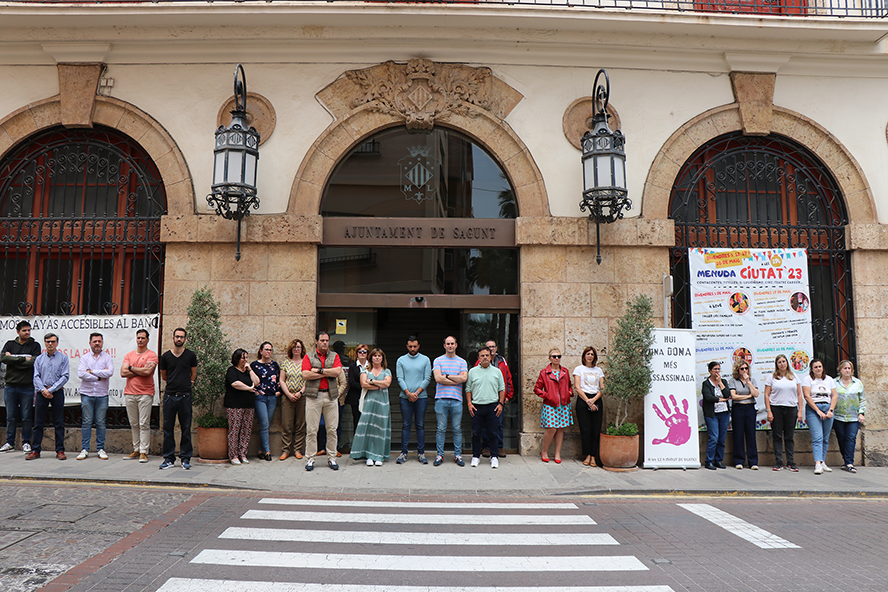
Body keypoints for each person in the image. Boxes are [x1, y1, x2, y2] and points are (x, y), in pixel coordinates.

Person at [302, 331, 342, 471]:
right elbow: (305, 374)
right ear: (316, 341)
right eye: (322, 340)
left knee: (332, 429)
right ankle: (311, 459)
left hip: (331, 396)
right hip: (314, 396)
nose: (325, 343)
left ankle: (332, 458)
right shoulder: (308, 356)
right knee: (312, 430)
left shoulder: (335, 355)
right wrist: (327, 371)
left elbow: (337, 372)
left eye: (327, 340)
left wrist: (318, 371)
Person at [159, 327, 198, 470]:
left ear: (185, 339)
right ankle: (169, 458)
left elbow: (193, 374)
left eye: (182, 337)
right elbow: (164, 376)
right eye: (177, 336)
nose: (179, 339)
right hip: (170, 396)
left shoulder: (190, 355)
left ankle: (185, 458)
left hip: (185, 396)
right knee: (168, 428)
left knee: (186, 428)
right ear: (173, 338)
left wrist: (188, 383)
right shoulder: (165, 357)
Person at [1, 320, 42, 453]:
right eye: (24, 330)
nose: (27, 333)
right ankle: (10, 442)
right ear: (18, 332)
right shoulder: (10, 344)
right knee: (11, 416)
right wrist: (24, 359)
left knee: (26, 416)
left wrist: (13, 359)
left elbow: (34, 362)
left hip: (27, 387)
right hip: (11, 386)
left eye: (29, 330)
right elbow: (3, 359)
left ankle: (26, 442)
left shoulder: (35, 345)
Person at [28, 333, 70, 460]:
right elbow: (36, 376)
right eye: (47, 341)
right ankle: (35, 450)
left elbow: (65, 376)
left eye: (52, 341)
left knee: (58, 422)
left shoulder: (63, 358)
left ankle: (60, 450)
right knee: (38, 422)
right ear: (45, 343)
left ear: (57, 343)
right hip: (42, 392)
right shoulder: (39, 359)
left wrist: (51, 389)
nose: (50, 344)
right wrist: (43, 390)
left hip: (57, 392)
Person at [120, 329, 159, 463]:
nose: (140, 340)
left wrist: (131, 368)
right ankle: (136, 449)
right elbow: (122, 373)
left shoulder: (152, 355)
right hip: (130, 393)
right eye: (138, 338)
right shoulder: (129, 355)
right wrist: (139, 371)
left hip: (145, 393)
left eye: (143, 338)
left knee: (144, 423)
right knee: (134, 423)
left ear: (148, 340)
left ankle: (144, 451)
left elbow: (148, 372)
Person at [350, 347, 393, 466]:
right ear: (371, 358)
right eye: (375, 356)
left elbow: (387, 384)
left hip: (382, 404)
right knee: (368, 429)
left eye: (379, 356)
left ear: (382, 358)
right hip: (369, 403)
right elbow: (363, 384)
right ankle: (369, 456)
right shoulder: (365, 370)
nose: (377, 358)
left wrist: (372, 382)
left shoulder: (387, 371)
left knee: (380, 429)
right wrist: (380, 385)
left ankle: (378, 455)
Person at [76, 333, 114, 461]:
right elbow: (81, 373)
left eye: (99, 341)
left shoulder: (107, 358)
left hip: (102, 394)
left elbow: (110, 372)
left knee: (101, 422)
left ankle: (100, 449)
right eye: (94, 341)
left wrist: (91, 372)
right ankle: (85, 449)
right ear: (90, 343)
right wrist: (99, 377)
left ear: (102, 343)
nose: (97, 343)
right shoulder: (85, 358)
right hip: (87, 394)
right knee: (86, 422)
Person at [466, 346, 505, 469]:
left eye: (487, 355)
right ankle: (476, 456)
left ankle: (494, 457)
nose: (485, 358)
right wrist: (469, 404)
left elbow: (502, 389)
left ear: (491, 356)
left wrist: (501, 404)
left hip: (492, 406)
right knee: (476, 433)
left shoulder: (497, 371)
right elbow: (468, 389)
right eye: (482, 356)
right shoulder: (472, 372)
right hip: (477, 406)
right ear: (478, 358)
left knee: (493, 433)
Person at [764, 354, 804, 472]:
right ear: (776, 364)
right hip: (776, 408)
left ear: (787, 363)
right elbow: (766, 394)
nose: (782, 364)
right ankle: (779, 462)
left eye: (784, 361)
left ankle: (791, 462)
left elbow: (799, 394)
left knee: (789, 436)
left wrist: (800, 410)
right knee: (777, 436)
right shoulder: (772, 377)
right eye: (779, 362)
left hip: (791, 408)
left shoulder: (794, 376)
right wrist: (769, 411)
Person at [432, 335, 468, 467]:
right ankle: (440, 455)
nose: (450, 346)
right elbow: (438, 378)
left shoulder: (462, 362)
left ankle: (457, 455)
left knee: (457, 429)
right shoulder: (438, 360)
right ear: (444, 345)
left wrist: (446, 376)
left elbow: (464, 378)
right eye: (448, 343)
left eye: (452, 343)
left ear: (456, 345)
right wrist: (455, 379)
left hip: (457, 400)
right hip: (441, 399)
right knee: (441, 429)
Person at [395, 336, 431, 464]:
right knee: (406, 425)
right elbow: (400, 378)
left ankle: (421, 453)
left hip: (421, 398)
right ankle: (404, 452)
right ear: (406, 346)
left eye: (415, 346)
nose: (412, 349)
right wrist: (408, 393)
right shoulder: (401, 360)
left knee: (420, 425)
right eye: (410, 346)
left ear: (419, 346)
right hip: (405, 398)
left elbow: (427, 378)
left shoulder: (425, 359)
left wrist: (416, 393)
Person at [476, 339, 513, 458]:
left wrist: (508, 395)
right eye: (488, 347)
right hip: (484, 397)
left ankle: (499, 447)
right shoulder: (480, 361)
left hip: (499, 398)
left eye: (493, 347)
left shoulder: (502, 361)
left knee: (498, 424)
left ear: (496, 348)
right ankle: (486, 447)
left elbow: (508, 378)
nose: (491, 349)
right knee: (485, 425)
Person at [534, 347, 573, 464]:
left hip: (564, 404)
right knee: (552, 428)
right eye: (554, 356)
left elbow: (570, 386)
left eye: (559, 356)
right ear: (549, 358)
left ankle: (557, 453)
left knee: (560, 429)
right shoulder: (544, 372)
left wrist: (569, 393)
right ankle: (544, 451)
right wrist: (547, 395)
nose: (557, 358)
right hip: (550, 404)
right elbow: (537, 388)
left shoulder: (565, 372)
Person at [802, 358, 838, 475]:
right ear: (811, 369)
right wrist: (818, 411)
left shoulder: (829, 380)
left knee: (825, 438)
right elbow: (807, 396)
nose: (818, 369)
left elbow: (834, 396)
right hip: (814, 409)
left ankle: (822, 462)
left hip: (827, 408)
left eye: (820, 366)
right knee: (817, 437)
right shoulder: (807, 380)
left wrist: (831, 410)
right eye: (816, 367)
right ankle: (817, 464)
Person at [225, 348, 259, 465]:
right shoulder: (232, 371)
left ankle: (243, 453)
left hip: (248, 405)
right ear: (237, 358)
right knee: (235, 430)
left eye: (246, 357)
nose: (245, 360)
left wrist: (250, 370)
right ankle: (233, 455)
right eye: (243, 357)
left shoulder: (247, 371)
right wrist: (249, 388)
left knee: (246, 430)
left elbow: (257, 381)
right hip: (235, 406)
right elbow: (235, 383)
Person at [573, 346, 605, 467]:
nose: (590, 356)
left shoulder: (599, 370)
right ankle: (586, 455)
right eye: (588, 354)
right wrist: (588, 401)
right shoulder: (579, 369)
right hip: (583, 399)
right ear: (584, 356)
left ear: (595, 357)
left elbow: (602, 388)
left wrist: (594, 400)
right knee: (585, 429)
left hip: (596, 398)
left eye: (592, 354)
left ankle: (593, 456)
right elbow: (577, 387)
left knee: (595, 430)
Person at [833, 360, 865, 473]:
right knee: (841, 438)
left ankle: (849, 462)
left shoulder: (858, 383)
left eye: (849, 368)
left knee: (850, 438)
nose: (847, 370)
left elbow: (862, 399)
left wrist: (861, 413)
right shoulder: (834, 382)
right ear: (840, 370)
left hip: (853, 417)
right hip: (838, 416)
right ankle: (845, 460)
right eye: (845, 368)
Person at [251, 341, 280, 462]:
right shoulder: (254, 365)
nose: (269, 352)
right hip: (260, 398)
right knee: (264, 424)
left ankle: (260, 450)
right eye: (267, 349)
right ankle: (268, 451)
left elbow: (279, 379)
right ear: (261, 351)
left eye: (270, 350)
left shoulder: (275, 365)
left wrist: (278, 391)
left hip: (272, 397)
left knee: (266, 425)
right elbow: (250, 380)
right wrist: (255, 391)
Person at [728, 359, 759, 470]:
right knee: (738, 434)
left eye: (746, 368)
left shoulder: (752, 380)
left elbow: (755, 394)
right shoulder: (733, 381)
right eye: (742, 369)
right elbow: (734, 396)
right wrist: (747, 396)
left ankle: (753, 461)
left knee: (751, 434)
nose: (744, 370)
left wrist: (748, 382)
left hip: (750, 409)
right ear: (737, 370)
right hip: (738, 408)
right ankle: (739, 460)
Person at [279, 339, 307, 460]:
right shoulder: (285, 363)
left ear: (302, 349)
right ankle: (285, 450)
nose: (296, 349)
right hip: (287, 397)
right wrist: (289, 394)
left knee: (300, 424)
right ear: (291, 349)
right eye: (294, 347)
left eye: (299, 347)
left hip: (302, 397)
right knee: (287, 425)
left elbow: (308, 380)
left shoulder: (306, 363)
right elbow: (281, 380)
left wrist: (300, 392)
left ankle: (297, 450)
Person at [701, 361, 731, 470]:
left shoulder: (723, 381)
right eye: (715, 369)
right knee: (714, 437)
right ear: (710, 371)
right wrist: (721, 399)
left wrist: (721, 384)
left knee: (721, 439)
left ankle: (718, 460)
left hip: (724, 413)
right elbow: (708, 397)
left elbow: (728, 394)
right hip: (712, 414)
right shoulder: (706, 383)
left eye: (719, 369)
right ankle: (708, 461)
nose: (717, 371)